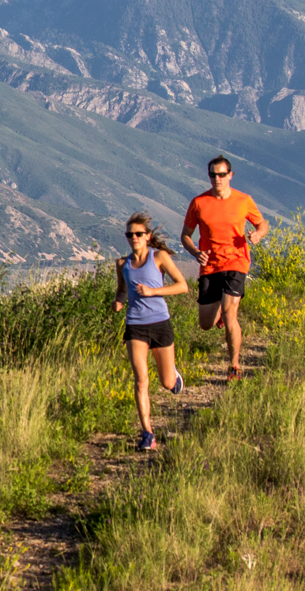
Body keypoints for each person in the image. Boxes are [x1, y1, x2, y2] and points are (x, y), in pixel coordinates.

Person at [179, 155, 268, 380]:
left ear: (230, 175)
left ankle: (234, 366)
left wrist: (258, 234)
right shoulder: (198, 203)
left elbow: (262, 223)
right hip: (210, 266)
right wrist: (196, 253)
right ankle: (217, 313)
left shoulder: (243, 200)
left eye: (221, 174)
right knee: (205, 324)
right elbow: (186, 236)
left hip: (237, 262)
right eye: (212, 175)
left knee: (231, 314)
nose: (216, 179)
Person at [113, 212, 188, 452]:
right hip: (135, 325)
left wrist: (153, 292)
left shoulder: (159, 258)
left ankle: (174, 376)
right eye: (129, 235)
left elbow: (182, 286)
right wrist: (119, 301)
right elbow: (122, 290)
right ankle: (147, 433)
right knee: (141, 380)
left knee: (166, 383)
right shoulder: (122, 264)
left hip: (160, 323)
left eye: (138, 234)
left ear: (147, 237)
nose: (133, 238)